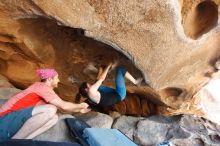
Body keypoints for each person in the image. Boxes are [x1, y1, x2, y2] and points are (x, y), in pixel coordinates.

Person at [0, 68, 90, 140]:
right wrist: (80, 105)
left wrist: (79, 109)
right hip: (4, 120)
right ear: (50, 79)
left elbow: (62, 109)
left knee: (54, 118)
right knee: (51, 109)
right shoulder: (42, 87)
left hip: (10, 124)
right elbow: (64, 106)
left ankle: (23, 141)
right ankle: (15, 141)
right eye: (57, 78)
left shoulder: (45, 90)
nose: (58, 80)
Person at [77, 63, 143, 106]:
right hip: (120, 94)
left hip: (112, 95)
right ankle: (136, 82)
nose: (90, 85)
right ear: (86, 89)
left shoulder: (89, 95)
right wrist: (109, 65)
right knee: (120, 70)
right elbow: (102, 78)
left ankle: (101, 68)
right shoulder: (91, 90)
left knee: (97, 85)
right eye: (89, 85)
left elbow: (97, 83)